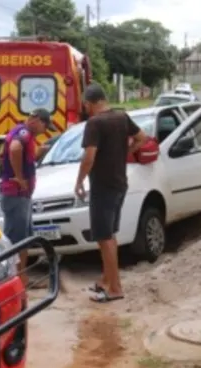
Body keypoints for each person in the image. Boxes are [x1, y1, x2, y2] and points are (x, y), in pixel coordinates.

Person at [74, 83, 148, 303]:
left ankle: (115, 288)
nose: (85, 108)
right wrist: (125, 152)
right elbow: (142, 137)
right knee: (108, 235)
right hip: (119, 184)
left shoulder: (94, 123)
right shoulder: (121, 117)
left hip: (103, 186)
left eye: (85, 105)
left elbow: (89, 157)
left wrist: (79, 181)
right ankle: (107, 279)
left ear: (90, 103)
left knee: (104, 237)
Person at [0, 109, 56, 285]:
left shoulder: (26, 135)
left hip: (21, 195)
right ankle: (14, 280)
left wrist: (39, 153)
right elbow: (15, 149)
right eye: (44, 127)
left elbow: (24, 159)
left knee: (23, 238)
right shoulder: (23, 133)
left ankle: (21, 277)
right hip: (16, 194)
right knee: (16, 240)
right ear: (37, 120)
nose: (43, 131)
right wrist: (19, 177)